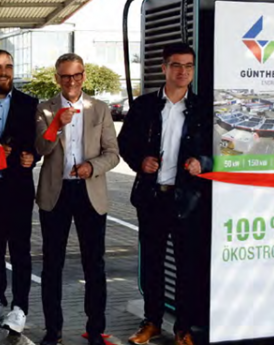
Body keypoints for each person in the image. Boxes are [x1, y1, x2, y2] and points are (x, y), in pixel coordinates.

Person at [118, 42, 211, 345]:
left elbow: (221, 148)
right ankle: (152, 322)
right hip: (152, 197)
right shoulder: (144, 105)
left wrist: (203, 162)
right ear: (164, 68)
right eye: (176, 65)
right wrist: (140, 161)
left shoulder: (203, 108)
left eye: (188, 66)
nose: (183, 71)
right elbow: (125, 143)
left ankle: (183, 328)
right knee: (152, 264)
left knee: (188, 266)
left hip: (189, 201)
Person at [34, 53, 119, 345]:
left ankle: (95, 330)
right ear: (57, 78)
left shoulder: (100, 109)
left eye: (76, 75)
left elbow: (113, 154)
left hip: (89, 192)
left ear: (84, 76)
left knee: (94, 265)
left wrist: (91, 167)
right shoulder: (45, 109)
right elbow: (41, 148)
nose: (71, 81)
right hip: (55, 193)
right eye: (65, 76)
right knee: (52, 265)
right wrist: (56, 124)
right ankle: (53, 331)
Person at [0, 49, 39, 333]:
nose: (4, 72)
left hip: (18, 190)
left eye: (8, 66)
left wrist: (32, 156)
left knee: (21, 250)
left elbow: (38, 143)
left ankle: (20, 307)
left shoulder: (30, 103)